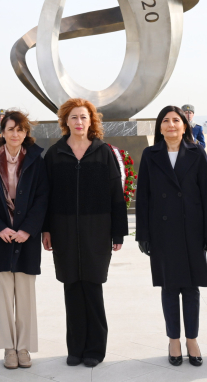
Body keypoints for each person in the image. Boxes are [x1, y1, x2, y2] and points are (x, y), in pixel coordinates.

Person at [42, 98, 128, 367]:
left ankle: (95, 349)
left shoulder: (104, 153)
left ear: (91, 122)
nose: (79, 122)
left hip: (97, 232)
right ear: (65, 122)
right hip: (63, 231)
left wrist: (118, 233)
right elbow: (46, 195)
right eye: (74, 117)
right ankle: (75, 348)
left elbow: (116, 195)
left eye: (83, 117)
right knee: (71, 290)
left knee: (92, 288)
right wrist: (46, 229)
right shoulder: (55, 154)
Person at [135, 105, 207, 367]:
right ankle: (174, 340)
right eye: (166, 121)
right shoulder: (150, 154)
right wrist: (143, 234)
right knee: (169, 287)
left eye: (176, 120)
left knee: (191, 288)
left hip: (192, 229)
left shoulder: (197, 153)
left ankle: (191, 339)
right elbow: (143, 196)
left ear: (185, 126)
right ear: (160, 127)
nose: (171, 125)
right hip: (162, 231)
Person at [0, 110, 49, 369]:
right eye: (10, 129)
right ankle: (9, 348)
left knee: (26, 296)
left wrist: (28, 230)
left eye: (20, 129)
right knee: (4, 298)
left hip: (26, 237)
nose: (15, 134)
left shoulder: (37, 159)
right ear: (2, 131)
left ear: (26, 133)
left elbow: (42, 198)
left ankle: (24, 347)